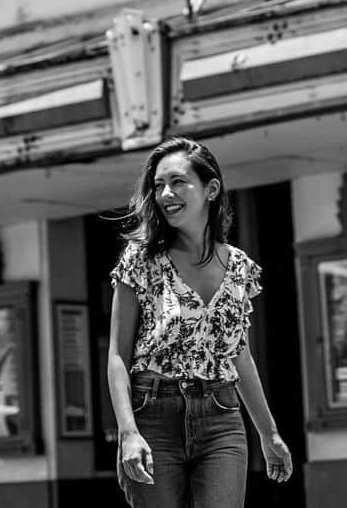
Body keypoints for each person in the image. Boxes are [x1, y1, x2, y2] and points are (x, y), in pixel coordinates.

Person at [107, 137, 293, 507]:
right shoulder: (141, 260)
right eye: (158, 185)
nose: (165, 194)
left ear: (210, 189)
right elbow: (117, 356)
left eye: (178, 182)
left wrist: (269, 434)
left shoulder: (239, 267)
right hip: (153, 415)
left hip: (221, 416)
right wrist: (128, 432)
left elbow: (239, 356)